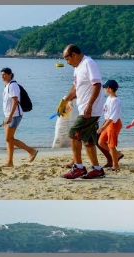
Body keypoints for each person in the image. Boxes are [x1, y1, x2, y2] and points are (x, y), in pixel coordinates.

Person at [59, 45, 105, 179]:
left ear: (74, 54)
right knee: (89, 140)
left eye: (67, 58)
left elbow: (97, 85)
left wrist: (90, 106)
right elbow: (76, 88)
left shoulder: (88, 63)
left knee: (73, 134)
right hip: (83, 108)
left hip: (90, 110)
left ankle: (78, 167)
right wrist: (65, 101)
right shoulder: (77, 68)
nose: (67, 62)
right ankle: (97, 169)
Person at [0, 67, 38, 167]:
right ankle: (10, 162)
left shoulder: (13, 86)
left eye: (4, 74)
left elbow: (15, 101)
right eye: (1, 75)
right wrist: (7, 116)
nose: (2, 77)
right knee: (9, 139)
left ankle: (31, 151)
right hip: (8, 115)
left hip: (14, 116)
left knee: (9, 139)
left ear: (10, 74)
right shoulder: (7, 85)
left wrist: (10, 117)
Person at [97, 80, 123, 172]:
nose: (104, 89)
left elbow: (112, 116)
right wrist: (103, 124)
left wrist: (104, 126)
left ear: (110, 89)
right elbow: (107, 113)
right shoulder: (109, 98)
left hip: (114, 123)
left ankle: (115, 165)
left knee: (111, 145)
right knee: (101, 142)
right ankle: (117, 155)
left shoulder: (116, 100)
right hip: (108, 123)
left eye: (106, 87)